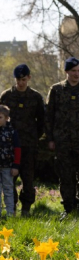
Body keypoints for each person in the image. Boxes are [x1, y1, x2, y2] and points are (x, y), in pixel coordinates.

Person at [45, 57, 79, 218]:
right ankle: (68, 208)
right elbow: (49, 116)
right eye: (74, 71)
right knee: (65, 176)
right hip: (62, 142)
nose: (78, 74)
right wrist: (50, 139)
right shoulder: (56, 90)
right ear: (67, 71)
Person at [0, 64, 45, 216]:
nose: (21, 83)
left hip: (29, 145)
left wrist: (34, 136)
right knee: (9, 179)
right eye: (18, 80)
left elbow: (42, 121)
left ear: (29, 78)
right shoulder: (6, 96)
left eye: (24, 79)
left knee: (28, 178)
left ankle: (26, 208)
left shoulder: (35, 97)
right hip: (8, 147)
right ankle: (11, 208)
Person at [0, 105, 20, 217]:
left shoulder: (12, 132)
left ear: (7, 118)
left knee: (8, 190)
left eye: (0, 117)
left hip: (8, 166)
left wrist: (16, 165)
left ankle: (10, 214)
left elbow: (17, 150)